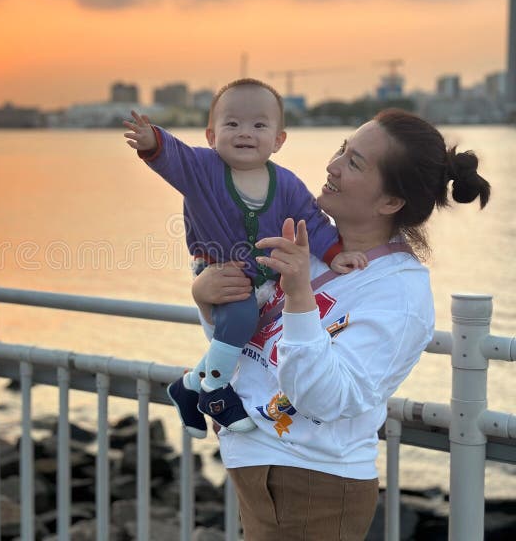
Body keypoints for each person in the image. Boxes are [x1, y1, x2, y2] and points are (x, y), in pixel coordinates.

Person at [191, 109, 490, 540]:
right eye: (342, 150)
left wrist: (299, 297)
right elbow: (246, 349)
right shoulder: (308, 247)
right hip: (257, 471)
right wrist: (207, 301)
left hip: (314, 486)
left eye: (355, 163)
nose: (332, 165)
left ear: (390, 202)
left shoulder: (398, 294)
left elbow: (323, 399)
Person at [123, 78, 365, 436]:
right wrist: (153, 142)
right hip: (219, 269)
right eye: (232, 124)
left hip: (262, 278)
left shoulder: (285, 184)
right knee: (240, 315)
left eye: (259, 125)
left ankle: (188, 385)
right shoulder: (203, 170)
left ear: (279, 139)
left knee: (248, 328)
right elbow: (175, 157)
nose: (245, 133)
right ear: (211, 135)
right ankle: (216, 391)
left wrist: (333, 254)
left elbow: (310, 222)